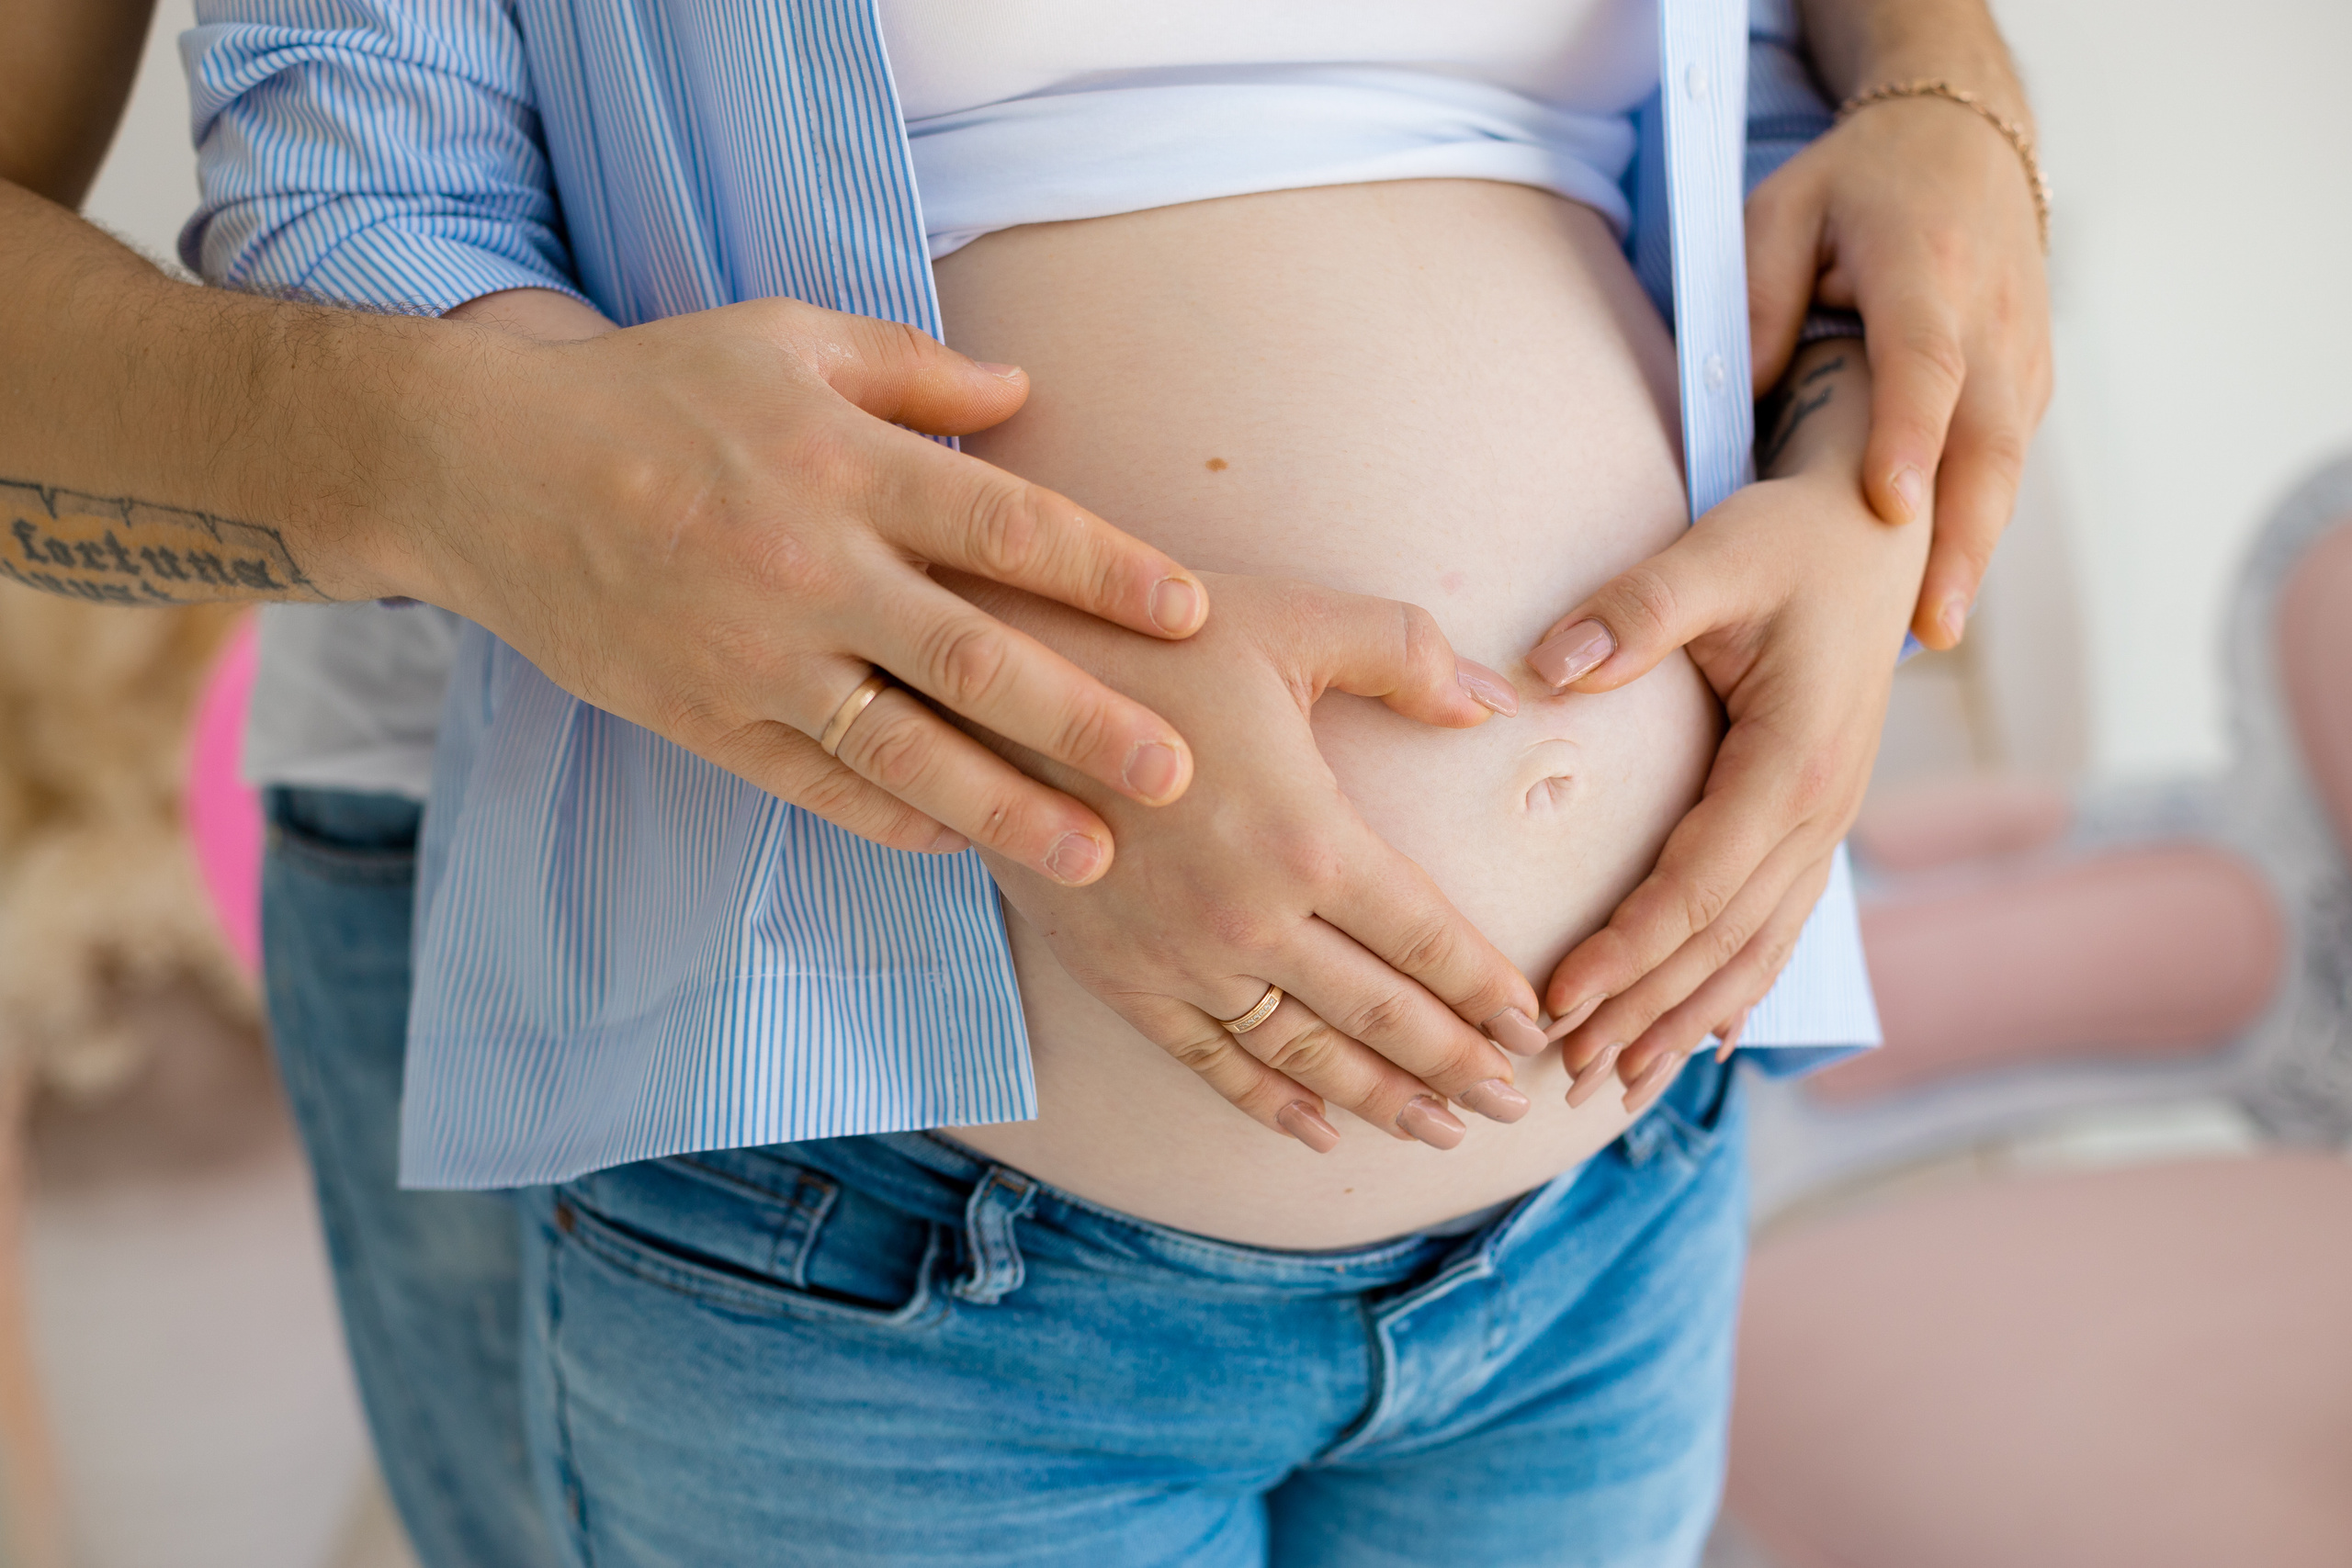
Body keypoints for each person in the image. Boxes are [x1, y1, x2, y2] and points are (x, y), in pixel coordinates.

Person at [0, 0, 2047, 1562]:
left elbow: (1782, 101)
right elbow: (358, 218)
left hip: (1613, 1183)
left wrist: (1875, 435)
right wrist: (1006, 698)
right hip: (872, 1209)